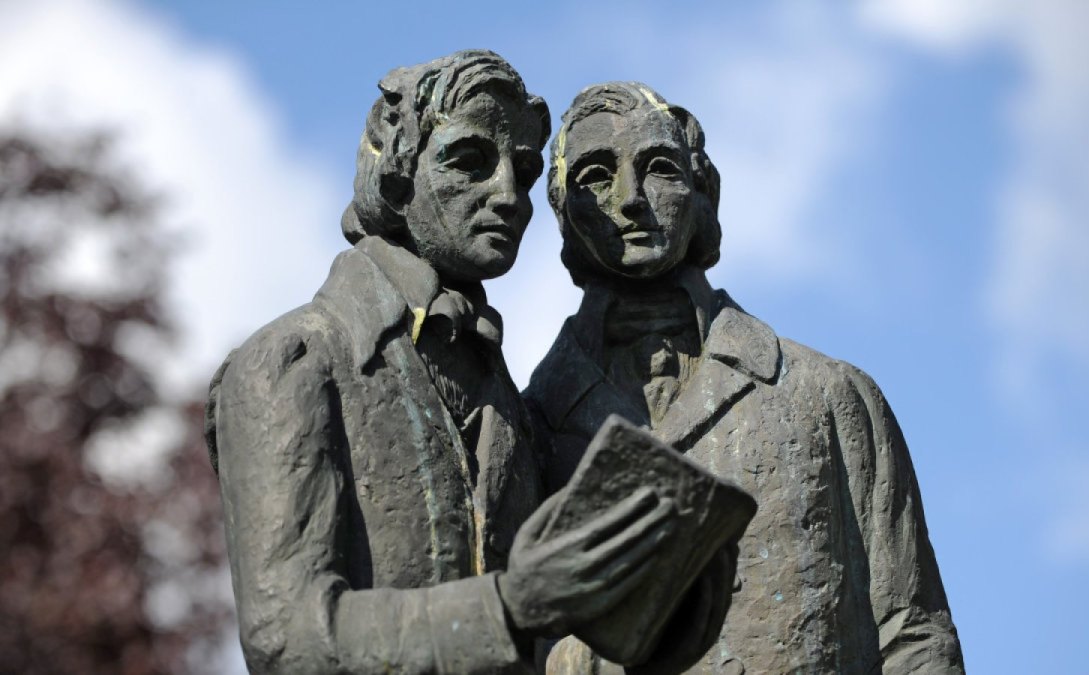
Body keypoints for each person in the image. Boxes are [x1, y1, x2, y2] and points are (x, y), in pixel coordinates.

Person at [205, 54, 676, 675]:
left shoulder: (516, 405)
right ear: (398, 176)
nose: (508, 195)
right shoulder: (295, 361)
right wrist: (509, 608)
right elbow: (289, 639)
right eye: (470, 161)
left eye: (526, 171)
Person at [525, 82, 966, 674]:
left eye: (658, 169)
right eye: (596, 177)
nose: (629, 199)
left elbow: (914, 638)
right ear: (563, 214)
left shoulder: (830, 397)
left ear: (703, 193)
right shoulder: (527, 431)